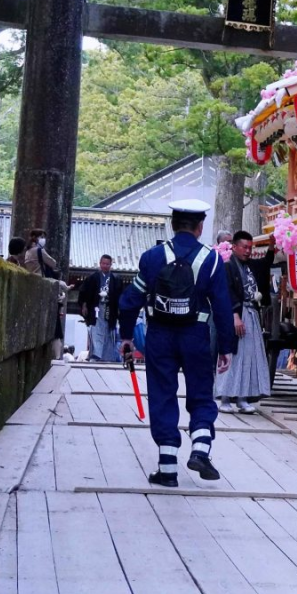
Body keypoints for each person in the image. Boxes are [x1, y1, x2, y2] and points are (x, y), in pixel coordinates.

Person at [118, 199, 237, 488]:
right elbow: (222, 307)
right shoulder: (211, 260)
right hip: (196, 336)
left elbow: (129, 300)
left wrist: (126, 336)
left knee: (163, 395)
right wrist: (226, 347)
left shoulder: (152, 257)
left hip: (160, 336)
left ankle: (167, 468)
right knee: (200, 393)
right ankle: (201, 448)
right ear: (200, 227)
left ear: (173, 225)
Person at [213, 230, 274, 414]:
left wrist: (271, 248)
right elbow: (226, 290)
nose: (248, 251)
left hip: (251, 313)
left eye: (250, 247)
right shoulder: (227, 265)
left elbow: (264, 265)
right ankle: (224, 397)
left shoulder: (250, 265)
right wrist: (234, 315)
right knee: (230, 355)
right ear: (234, 246)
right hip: (234, 315)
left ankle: (242, 398)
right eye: (244, 247)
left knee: (248, 356)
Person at [78, 254, 124, 363]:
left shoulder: (115, 279)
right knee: (96, 331)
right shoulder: (93, 277)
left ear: (110, 265)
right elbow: (83, 292)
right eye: (103, 263)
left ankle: (107, 356)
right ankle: (96, 354)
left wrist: (119, 309)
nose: (105, 266)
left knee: (108, 331)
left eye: (107, 264)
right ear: (100, 263)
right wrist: (84, 305)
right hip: (96, 308)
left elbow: (120, 295)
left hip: (110, 309)